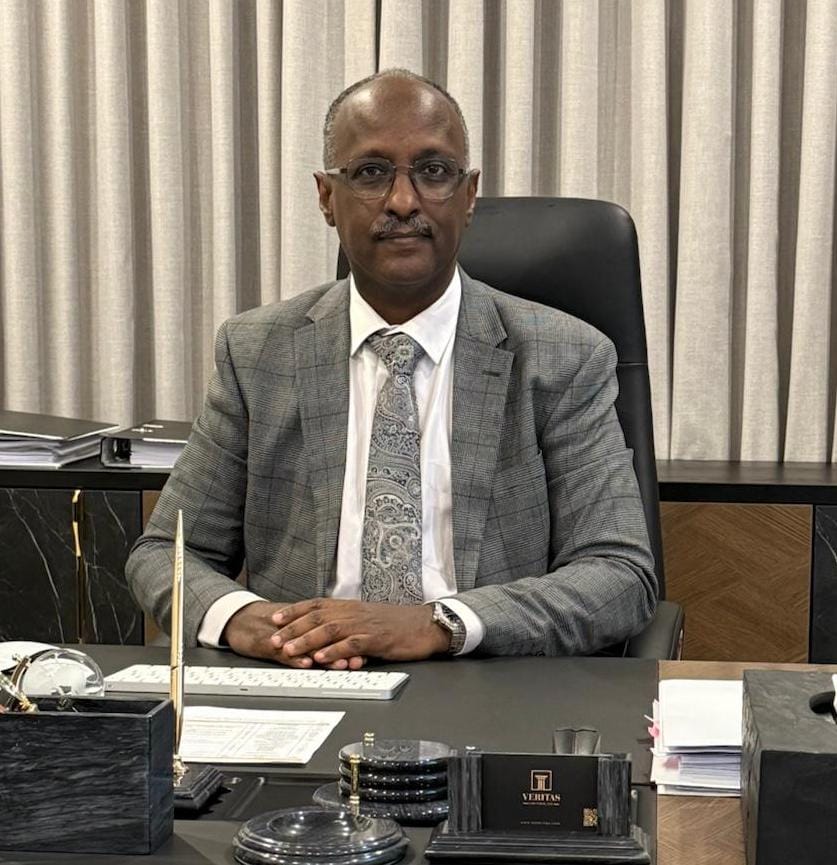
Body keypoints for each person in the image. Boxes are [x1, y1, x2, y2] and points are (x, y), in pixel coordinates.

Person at [126, 69, 657, 668]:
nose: (404, 202)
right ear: (326, 198)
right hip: (305, 679)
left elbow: (619, 575)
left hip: (487, 680)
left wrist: (440, 625)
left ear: (469, 194)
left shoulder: (564, 356)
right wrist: (244, 620)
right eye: (371, 173)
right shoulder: (256, 353)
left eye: (434, 171)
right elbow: (165, 553)